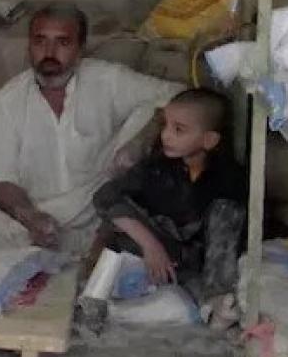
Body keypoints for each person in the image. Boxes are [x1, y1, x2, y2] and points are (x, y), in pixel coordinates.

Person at [0, 1, 184, 256]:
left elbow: (176, 94)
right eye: (40, 41)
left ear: (80, 50)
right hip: (43, 212)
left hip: (99, 204)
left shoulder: (108, 80)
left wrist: (140, 142)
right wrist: (31, 217)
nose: (50, 52)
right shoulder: (6, 102)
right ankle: (83, 248)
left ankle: (86, 246)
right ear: (29, 47)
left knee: (152, 109)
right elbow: (1, 179)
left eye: (63, 42)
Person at [92, 88, 246, 325]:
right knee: (117, 222)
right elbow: (105, 196)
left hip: (192, 268)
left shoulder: (226, 181)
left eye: (178, 130)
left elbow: (219, 249)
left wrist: (213, 290)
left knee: (225, 214)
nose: (166, 136)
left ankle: (213, 304)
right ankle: (101, 303)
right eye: (165, 125)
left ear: (209, 140)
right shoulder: (158, 165)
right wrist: (151, 245)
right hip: (153, 255)